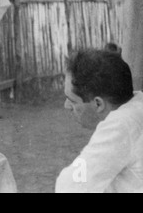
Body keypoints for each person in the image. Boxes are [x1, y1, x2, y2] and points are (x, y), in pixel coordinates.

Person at [56, 49, 143, 193]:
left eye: (72, 100)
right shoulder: (138, 103)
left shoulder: (120, 125)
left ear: (98, 104)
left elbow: (70, 185)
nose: (66, 106)